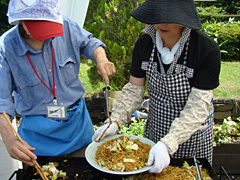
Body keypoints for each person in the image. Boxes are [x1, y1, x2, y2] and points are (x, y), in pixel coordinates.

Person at [92, 0, 221, 174]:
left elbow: (198, 107)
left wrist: (169, 143)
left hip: (191, 137)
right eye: (157, 16)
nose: (161, 23)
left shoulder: (205, 49)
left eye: (169, 18)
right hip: (156, 131)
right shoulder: (145, 43)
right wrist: (115, 121)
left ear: (184, 18)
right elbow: (134, 90)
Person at [0, 0, 115, 167]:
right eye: (40, 26)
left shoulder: (65, 25)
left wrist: (101, 58)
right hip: (37, 142)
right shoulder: (5, 48)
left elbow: (90, 43)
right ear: (21, 20)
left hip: (78, 129)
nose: (50, 35)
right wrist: (8, 138)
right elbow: (2, 101)